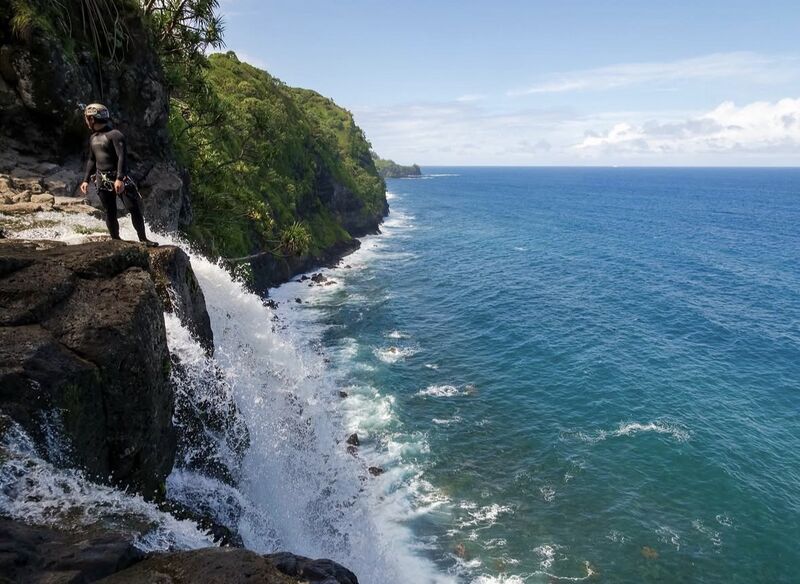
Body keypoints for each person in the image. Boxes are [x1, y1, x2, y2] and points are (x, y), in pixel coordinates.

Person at [79, 103, 158, 246]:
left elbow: (122, 157)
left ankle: (143, 239)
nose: (86, 121)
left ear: (92, 119)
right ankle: (115, 240)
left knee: (133, 208)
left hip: (118, 177)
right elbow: (92, 160)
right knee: (110, 211)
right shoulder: (93, 138)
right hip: (102, 178)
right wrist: (85, 180)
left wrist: (119, 178)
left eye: (86, 118)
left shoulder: (115, 135)